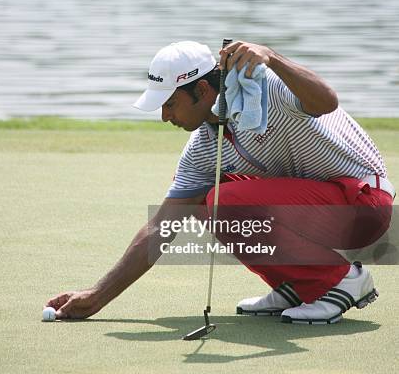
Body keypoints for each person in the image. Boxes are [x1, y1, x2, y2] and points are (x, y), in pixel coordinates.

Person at [46, 40, 394, 324]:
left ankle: (341, 281)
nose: (165, 117)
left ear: (200, 90)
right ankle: (297, 284)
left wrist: (272, 58)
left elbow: (327, 101)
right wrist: (97, 296)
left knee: (225, 200)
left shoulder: (267, 87)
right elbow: (161, 227)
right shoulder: (203, 147)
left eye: (170, 104)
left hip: (364, 205)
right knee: (201, 201)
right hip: (317, 208)